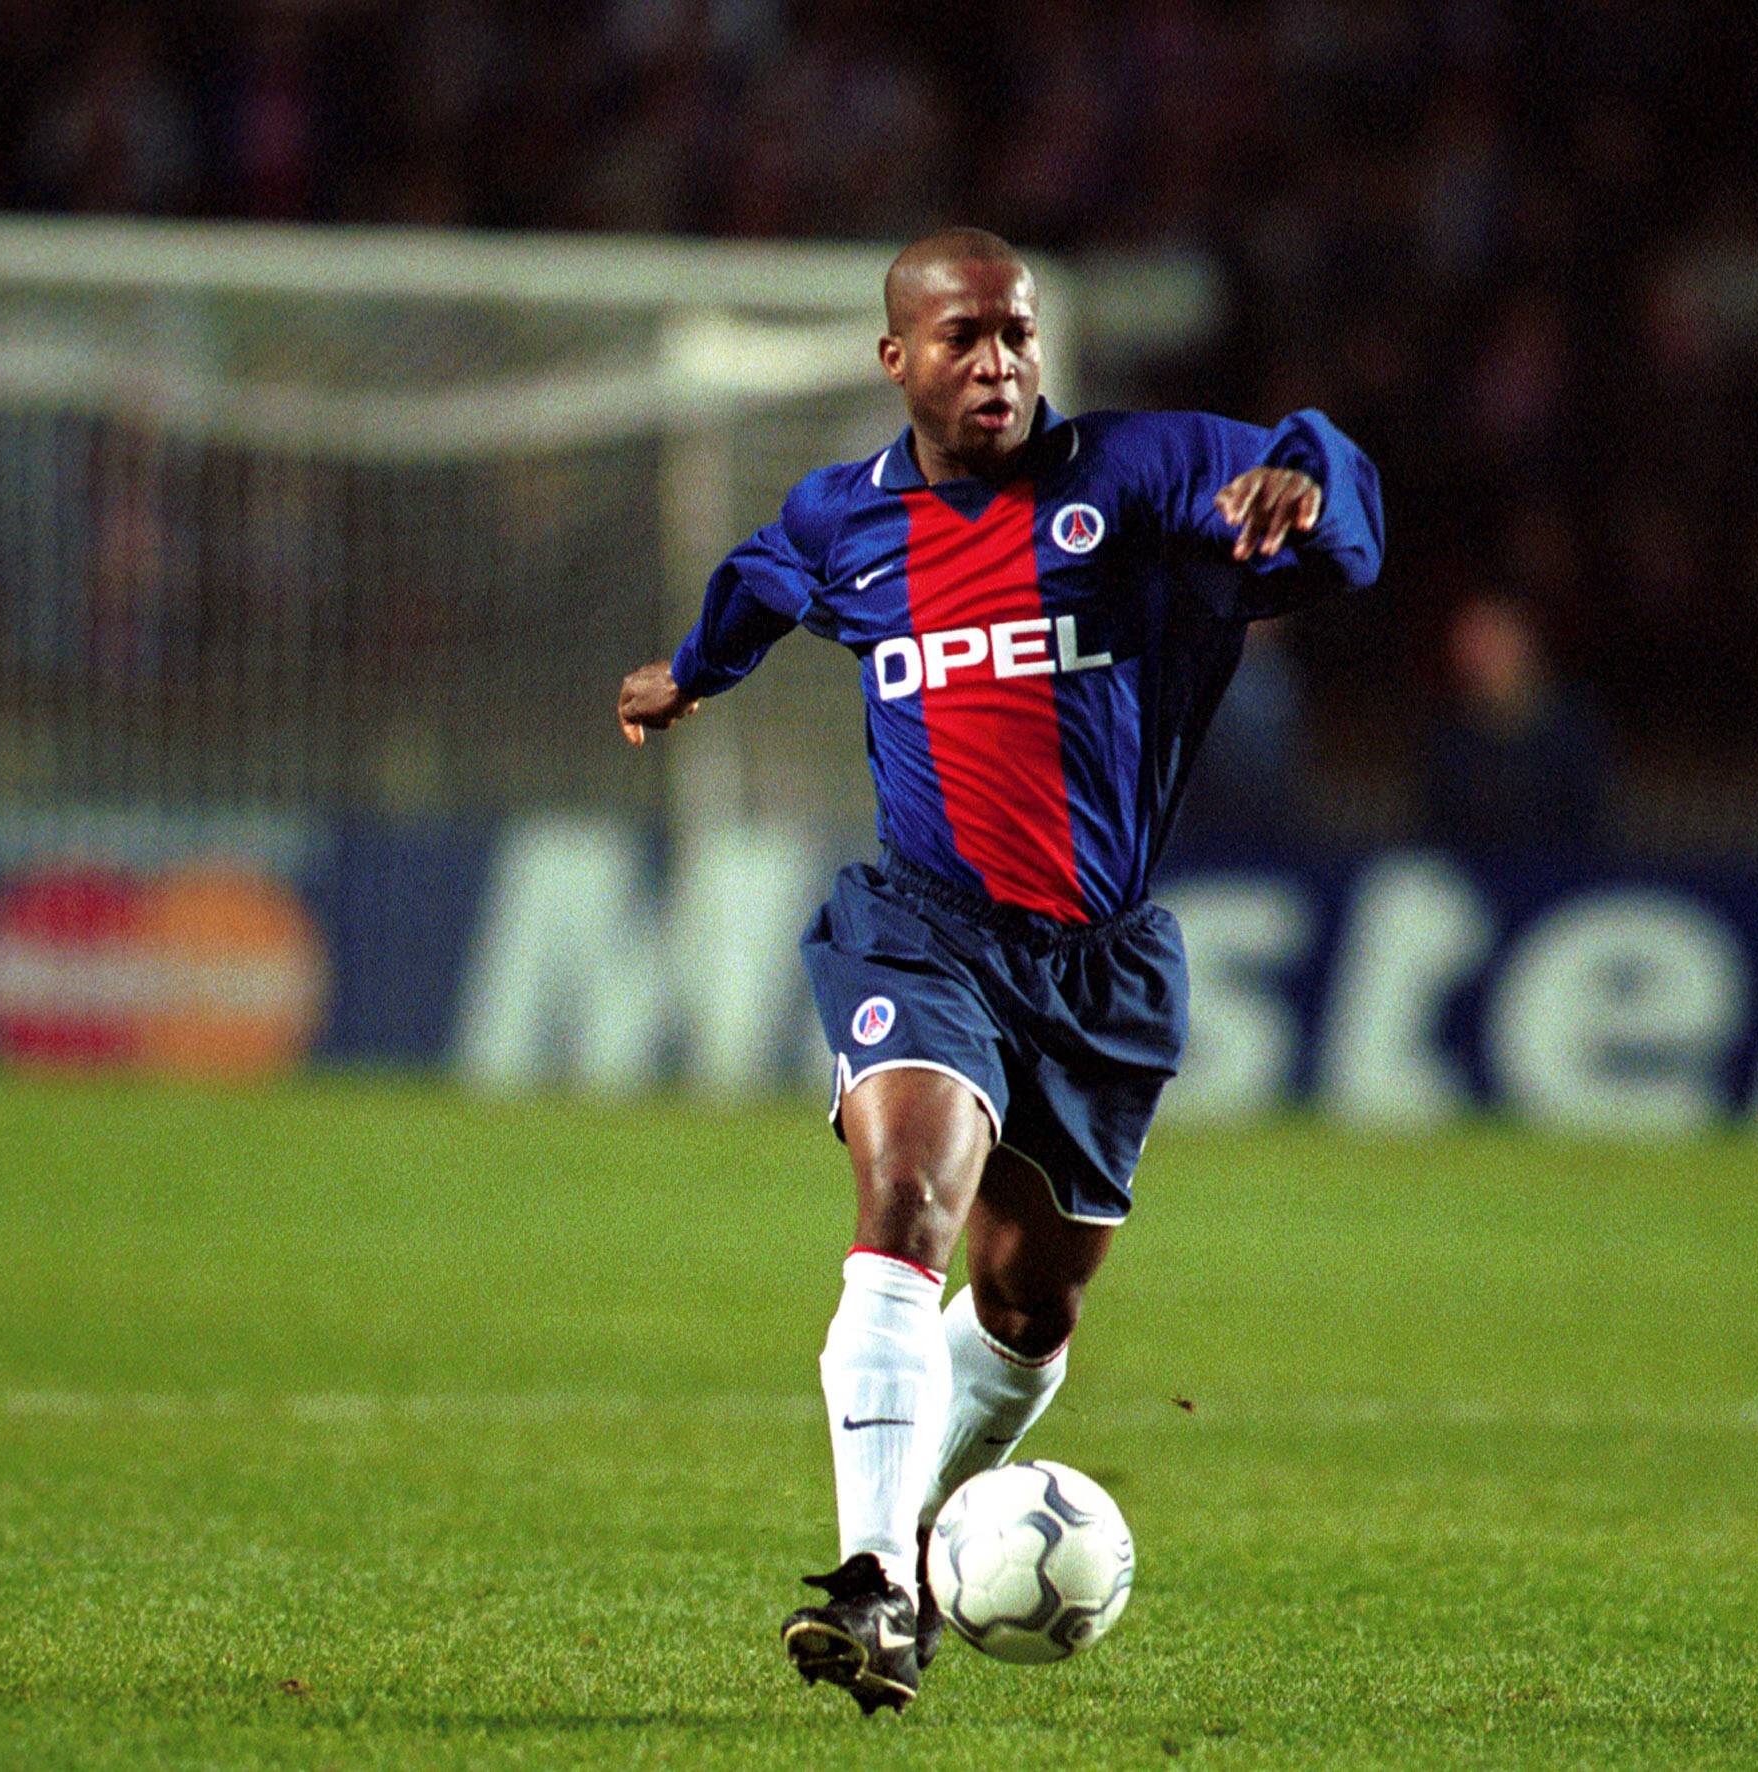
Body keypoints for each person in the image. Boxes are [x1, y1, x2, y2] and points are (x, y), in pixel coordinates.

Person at [614, 228, 1383, 1717]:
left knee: (1032, 1306)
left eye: (1018, 336)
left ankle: (906, 1527)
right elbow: (759, 584)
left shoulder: (1147, 477)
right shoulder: (845, 522)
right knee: (908, 1192)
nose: (1001, 363)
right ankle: (872, 1585)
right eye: (964, 338)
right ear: (897, 359)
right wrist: (691, 673)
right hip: (923, 928)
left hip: (1101, 967)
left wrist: (1311, 493)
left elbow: (1334, 498)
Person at [1419, 592, 1612, 857]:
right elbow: (1436, 835)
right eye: (1471, 644)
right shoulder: (1449, 739)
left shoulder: (1572, 734)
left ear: (1525, 644)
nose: (1479, 657)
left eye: (1493, 642)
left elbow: (1592, 832)